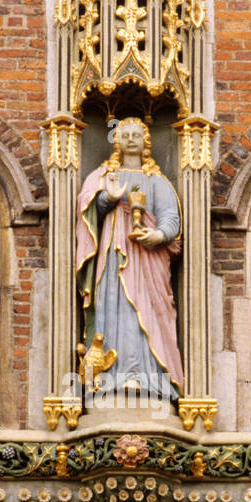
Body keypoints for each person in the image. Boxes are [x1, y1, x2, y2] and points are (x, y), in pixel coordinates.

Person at [76, 118, 184, 402]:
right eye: (126, 135)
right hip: (113, 256)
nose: (132, 139)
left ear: (146, 142)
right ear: (117, 141)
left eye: (138, 135)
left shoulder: (157, 182)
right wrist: (107, 199)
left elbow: (171, 218)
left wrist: (159, 235)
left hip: (147, 259)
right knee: (114, 305)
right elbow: (88, 214)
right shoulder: (103, 176)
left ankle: (151, 379)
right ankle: (110, 378)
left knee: (147, 311)